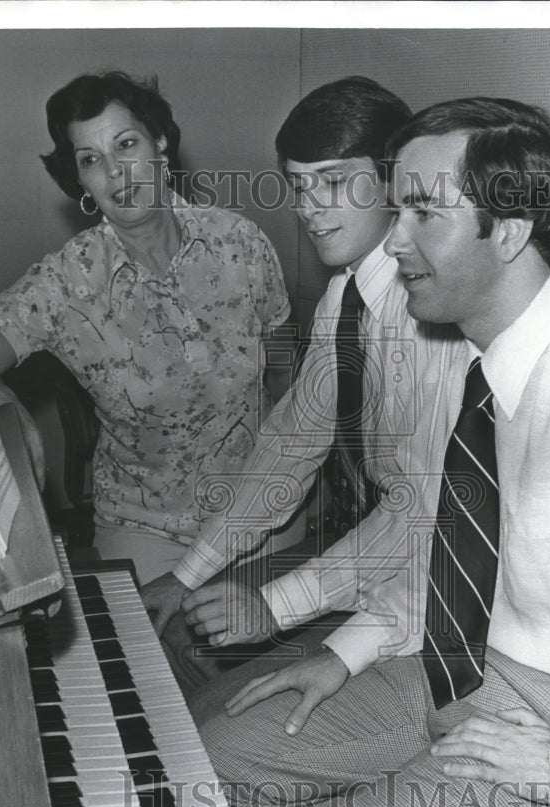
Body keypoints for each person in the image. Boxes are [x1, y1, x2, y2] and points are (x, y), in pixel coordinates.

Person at [193, 97, 550, 807]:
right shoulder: (495, 374)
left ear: (510, 228)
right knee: (218, 765)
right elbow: (452, 538)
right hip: (470, 672)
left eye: (422, 212)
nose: (396, 239)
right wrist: (345, 651)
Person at [143, 76, 468, 692]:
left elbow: (420, 516)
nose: (308, 206)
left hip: (436, 583)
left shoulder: (432, 316)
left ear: (395, 180)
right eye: (298, 185)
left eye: (336, 181)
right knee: (177, 636)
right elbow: (291, 447)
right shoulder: (346, 297)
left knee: (219, 709)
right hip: (368, 545)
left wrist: (274, 605)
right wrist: (189, 572)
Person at [0, 70, 292, 584]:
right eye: (91, 160)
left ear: (160, 144)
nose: (117, 172)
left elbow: (283, 371)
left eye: (126, 144)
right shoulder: (65, 281)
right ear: (81, 183)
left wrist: (298, 478)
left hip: (264, 512)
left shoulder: (241, 242)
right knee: (152, 662)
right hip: (148, 532)